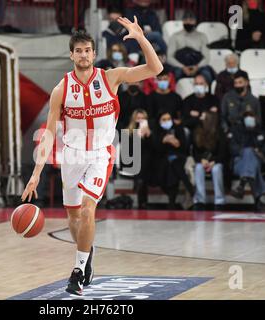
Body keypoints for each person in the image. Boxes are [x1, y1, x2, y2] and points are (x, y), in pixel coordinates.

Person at [21, 19, 163, 296]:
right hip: (71, 157)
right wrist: (36, 173)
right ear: (71, 55)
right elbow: (49, 133)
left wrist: (141, 38)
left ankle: (77, 271)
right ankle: (87, 252)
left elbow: (155, 68)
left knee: (88, 210)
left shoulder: (111, 77)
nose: (83, 55)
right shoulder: (61, 90)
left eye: (88, 50)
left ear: (94, 54)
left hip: (100, 154)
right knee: (74, 217)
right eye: (79, 51)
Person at [152, 111, 195, 209]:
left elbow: (184, 147)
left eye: (168, 119)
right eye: (164, 119)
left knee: (174, 165)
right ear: (159, 121)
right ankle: (189, 187)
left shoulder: (178, 129)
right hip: (162, 159)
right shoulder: (157, 130)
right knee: (172, 167)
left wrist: (177, 143)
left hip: (178, 157)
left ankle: (171, 202)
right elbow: (155, 149)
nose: (167, 121)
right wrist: (163, 141)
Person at [229, 108, 265, 212]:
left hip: (258, 161)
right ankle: (258, 201)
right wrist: (248, 151)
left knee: (252, 158)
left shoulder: (261, 132)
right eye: (247, 116)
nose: (249, 118)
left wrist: (257, 151)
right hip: (239, 162)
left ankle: (242, 185)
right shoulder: (236, 131)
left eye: (251, 116)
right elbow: (232, 148)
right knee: (249, 154)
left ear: (255, 118)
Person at [167, 10, 214, 84]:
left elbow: (206, 58)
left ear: (195, 22)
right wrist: (182, 67)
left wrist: (197, 67)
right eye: (186, 20)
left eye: (191, 20)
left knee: (207, 74)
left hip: (198, 66)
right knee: (174, 74)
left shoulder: (202, 36)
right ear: (182, 21)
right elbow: (169, 57)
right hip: (180, 66)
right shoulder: (175, 36)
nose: (188, 22)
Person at [192, 111, 227, 211]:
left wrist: (213, 161)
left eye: (203, 116)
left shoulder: (219, 133)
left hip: (216, 161)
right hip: (202, 161)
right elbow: (194, 152)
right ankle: (200, 200)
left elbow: (223, 153)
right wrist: (201, 160)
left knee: (216, 169)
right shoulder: (197, 131)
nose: (201, 118)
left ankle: (219, 201)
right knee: (198, 168)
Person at [121, 109, 154, 209]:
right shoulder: (127, 132)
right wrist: (137, 137)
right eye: (138, 118)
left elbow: (153, 149)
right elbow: (127, 152)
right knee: (140, 164)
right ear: (134, 119)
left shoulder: (149, 131)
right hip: (132, 161)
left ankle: (138, 184)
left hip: (147, 162)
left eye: (142, 118)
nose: (140, 120)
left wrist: (148, 136)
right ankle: (142, 202)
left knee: (144, 160)